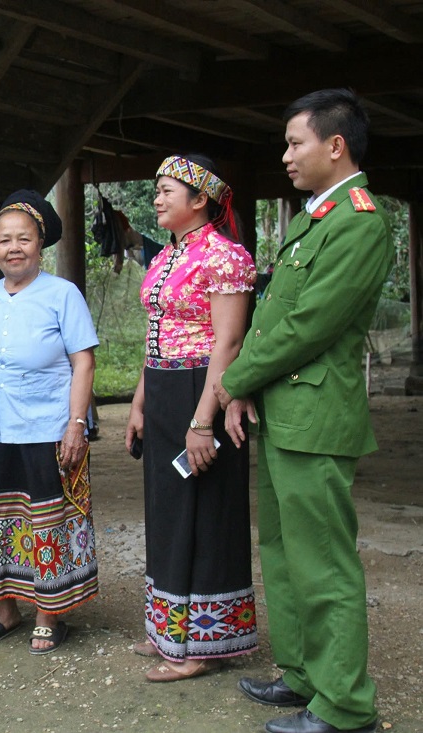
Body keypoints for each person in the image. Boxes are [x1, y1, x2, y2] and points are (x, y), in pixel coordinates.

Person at [214, 89, 392, 733]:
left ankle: (346, 707)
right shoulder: (316, 216)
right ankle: (305, 676)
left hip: (316, 415)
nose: (285, 155)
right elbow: (274, 320)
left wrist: (231, 381)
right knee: (286, 553)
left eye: (296, 143)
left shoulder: (359, 221)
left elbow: (309, 326)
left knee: (324, 560)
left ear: (335, 146)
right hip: (283, 408)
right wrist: (248, 389)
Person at [123, 155, 258, 683]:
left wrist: (203, 420)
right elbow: (155, 332)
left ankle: (203, 643)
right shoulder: (166, 257)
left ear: (199, 199)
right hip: (162, 388)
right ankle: (168, 630)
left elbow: (228, 342)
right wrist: (138, 403)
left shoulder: (226, 257)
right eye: (155, 190)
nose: (156, 199)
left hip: (202, 390)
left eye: (165, 190)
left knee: (206, 509)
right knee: (167, 509)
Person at [0, 190, 99, 655]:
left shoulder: (62, 294)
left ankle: (49, 614)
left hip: (45, 427)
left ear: (40, 245)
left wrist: (77, 422)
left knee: (44, 518)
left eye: (24, 239)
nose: (14, 248)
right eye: (5, 240)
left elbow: (84, 362)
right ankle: (5, 610)